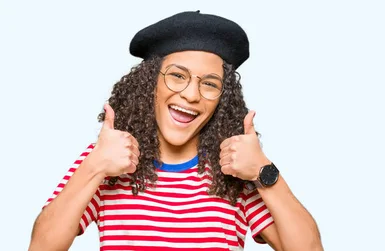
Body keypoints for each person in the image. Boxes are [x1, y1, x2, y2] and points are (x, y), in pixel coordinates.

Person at [29, 10, 323, 251]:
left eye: (209, 83)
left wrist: (262, 169)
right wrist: (94, 167)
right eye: (177, 76)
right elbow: (41, 247)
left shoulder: (234, 170)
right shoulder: (106, 161)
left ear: (222, 97)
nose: (191, 95)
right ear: (149, 84)